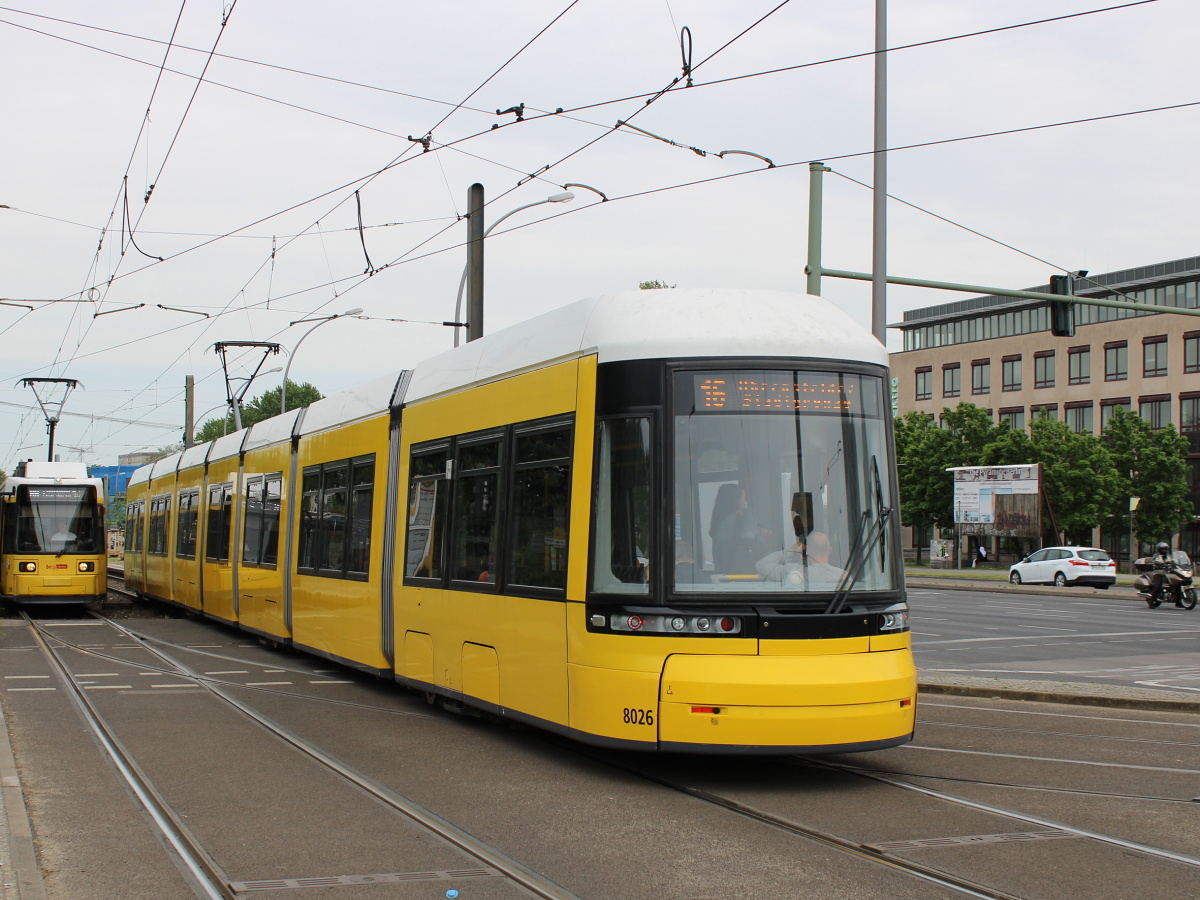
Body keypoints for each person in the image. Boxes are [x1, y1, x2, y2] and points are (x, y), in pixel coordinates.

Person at [708, 484, 768, 575]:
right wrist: (763, 537)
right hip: (744, 577)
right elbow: (749, 544)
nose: (745, 502)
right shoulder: (747, 515)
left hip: (723, 577)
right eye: (743, 498)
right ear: (736, 501)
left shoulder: (718, 525)